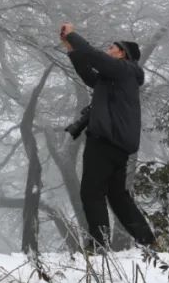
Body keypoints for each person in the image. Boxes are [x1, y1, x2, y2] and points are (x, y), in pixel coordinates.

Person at [60, 22, 156, 250]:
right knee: (117, 196)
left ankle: (98, 248)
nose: (108, 50)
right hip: (118, 145)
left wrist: (73, 35)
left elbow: (94, 57)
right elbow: (88, 73)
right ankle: (149, 241)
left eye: (113, 47)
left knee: (91, 192)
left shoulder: (123, 70)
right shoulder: (114, 80)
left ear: (122, 53)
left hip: (104, 141)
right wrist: (71, 48)